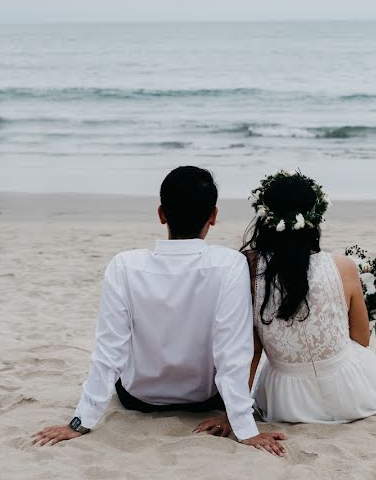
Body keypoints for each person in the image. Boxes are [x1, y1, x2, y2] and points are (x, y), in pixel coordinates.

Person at [32, 166, 287, 456]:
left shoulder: (124, 266)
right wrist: (246, 430)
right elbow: (233, 352)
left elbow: (109, 352)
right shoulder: (230, 264)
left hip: (139, 397)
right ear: (213, 216)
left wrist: (79, 423)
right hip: (202, 399)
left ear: (161, 214)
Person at [196, 170, 376, 431]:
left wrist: (234, 414)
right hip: (354, 393)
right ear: (315, 216)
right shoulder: (344, 267)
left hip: (288, 402)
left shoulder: (250, 269)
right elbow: (362, 339)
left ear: (264, 217)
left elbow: (253, 350)